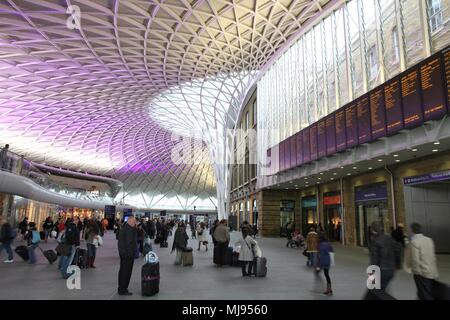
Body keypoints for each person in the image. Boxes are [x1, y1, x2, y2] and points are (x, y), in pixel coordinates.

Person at [405, 222, 439, 300]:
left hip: (422, 273)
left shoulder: (414, 242)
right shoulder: (429, 239)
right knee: (425, 291)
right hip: (431, 270)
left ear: (411, 230)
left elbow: (415, 260)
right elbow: (433, 256)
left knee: (425, 294)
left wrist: (417, 273)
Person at [369, 221, 402, 292]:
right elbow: (398, 249)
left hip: (382, 270)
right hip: (391, 269)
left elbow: (374, 260)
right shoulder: (389, 238)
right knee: (384, 289)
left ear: (373, 230)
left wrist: (372, 277)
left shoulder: (375, 241)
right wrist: (398, 265)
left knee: (377, 291)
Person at [117, 216, 137, 295]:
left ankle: (122, 288)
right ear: (130, 221)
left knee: (123, 271)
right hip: (127, 255)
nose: (135, 223)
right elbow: (129, 243)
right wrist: (131, 254)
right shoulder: (129, 230)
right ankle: (123, 289)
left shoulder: (126, 228)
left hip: (124, 254)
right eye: (134, 221)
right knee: (126, 272)